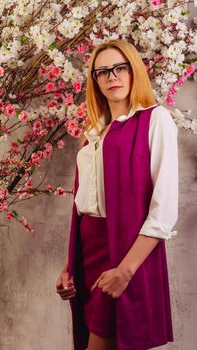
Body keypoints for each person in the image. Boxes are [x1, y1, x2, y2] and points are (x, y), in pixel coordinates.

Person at [55, 40, 178, 350]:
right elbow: (84, 203)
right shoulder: (95, 131)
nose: (113, 77)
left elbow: (163, 211)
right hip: (89, 250)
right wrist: (70, 264)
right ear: (95, 81)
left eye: (120, 68)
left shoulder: (155, 120)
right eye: (103, 72)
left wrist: (125, 270)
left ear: (134, 70)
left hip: (124, 252)